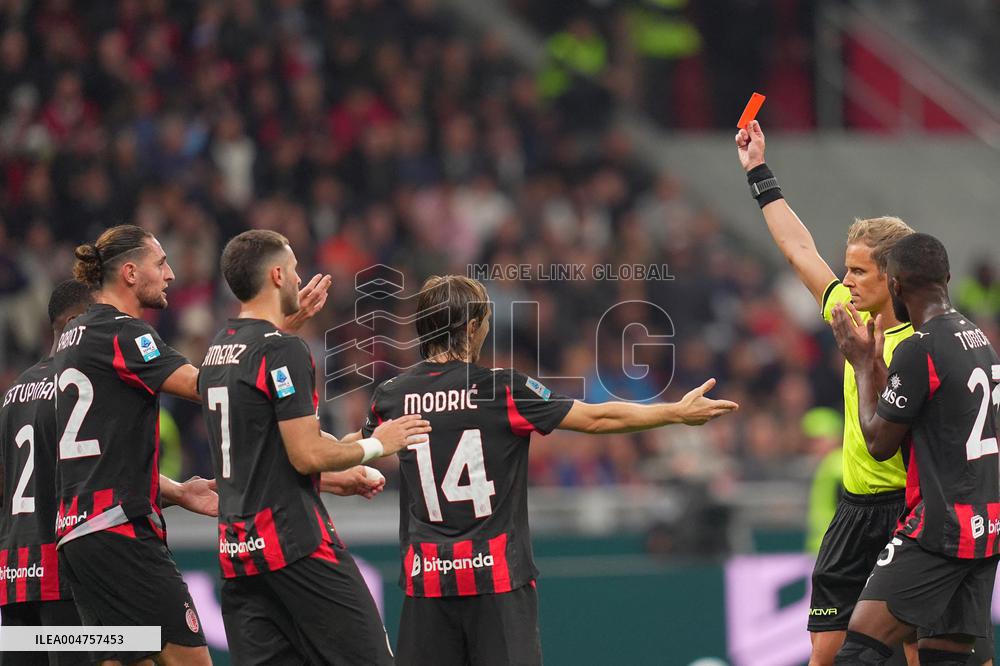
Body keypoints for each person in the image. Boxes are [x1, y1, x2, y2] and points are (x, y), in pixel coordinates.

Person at [360, 274, 738, 666]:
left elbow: (352, 451)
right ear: (472, 327)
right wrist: (675, 412)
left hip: (428, 582)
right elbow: (596, 418)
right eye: (485, 320)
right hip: (498, 581)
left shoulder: (392, 395)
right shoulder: (502, 390)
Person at [735, 120, 923, 665]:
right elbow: (798, 249)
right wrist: (757, 171)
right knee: (825, 653)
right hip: (853, 512)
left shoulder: (923, 344)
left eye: (860, 271)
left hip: (909, 512)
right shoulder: (845, 312)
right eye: (847, 269)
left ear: (893, 278)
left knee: (917, 652)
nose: (849, 280)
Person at [199, 229, 432, 665]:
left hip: (240, 558)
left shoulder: (218, 349)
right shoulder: (283, 350)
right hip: (297, 547)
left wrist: (331, 474)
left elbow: (264, 446)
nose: (298, 278)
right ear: (277, 275)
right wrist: (375, 446)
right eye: (294, 269)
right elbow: (304, 453)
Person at [829, 233, 1000, 665]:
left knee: (858, 649)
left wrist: (864, 364)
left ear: (896, 286)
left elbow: (878, 442)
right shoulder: (980, 342)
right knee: (944, 658)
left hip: (937, 530)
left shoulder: (919, 348)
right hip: (986, 527)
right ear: (946, 277)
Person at [0, 280, 93, 666]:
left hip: (14, 572)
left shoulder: (13, 391)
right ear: (74, 323)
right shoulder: (79, 388)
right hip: (62, 573)